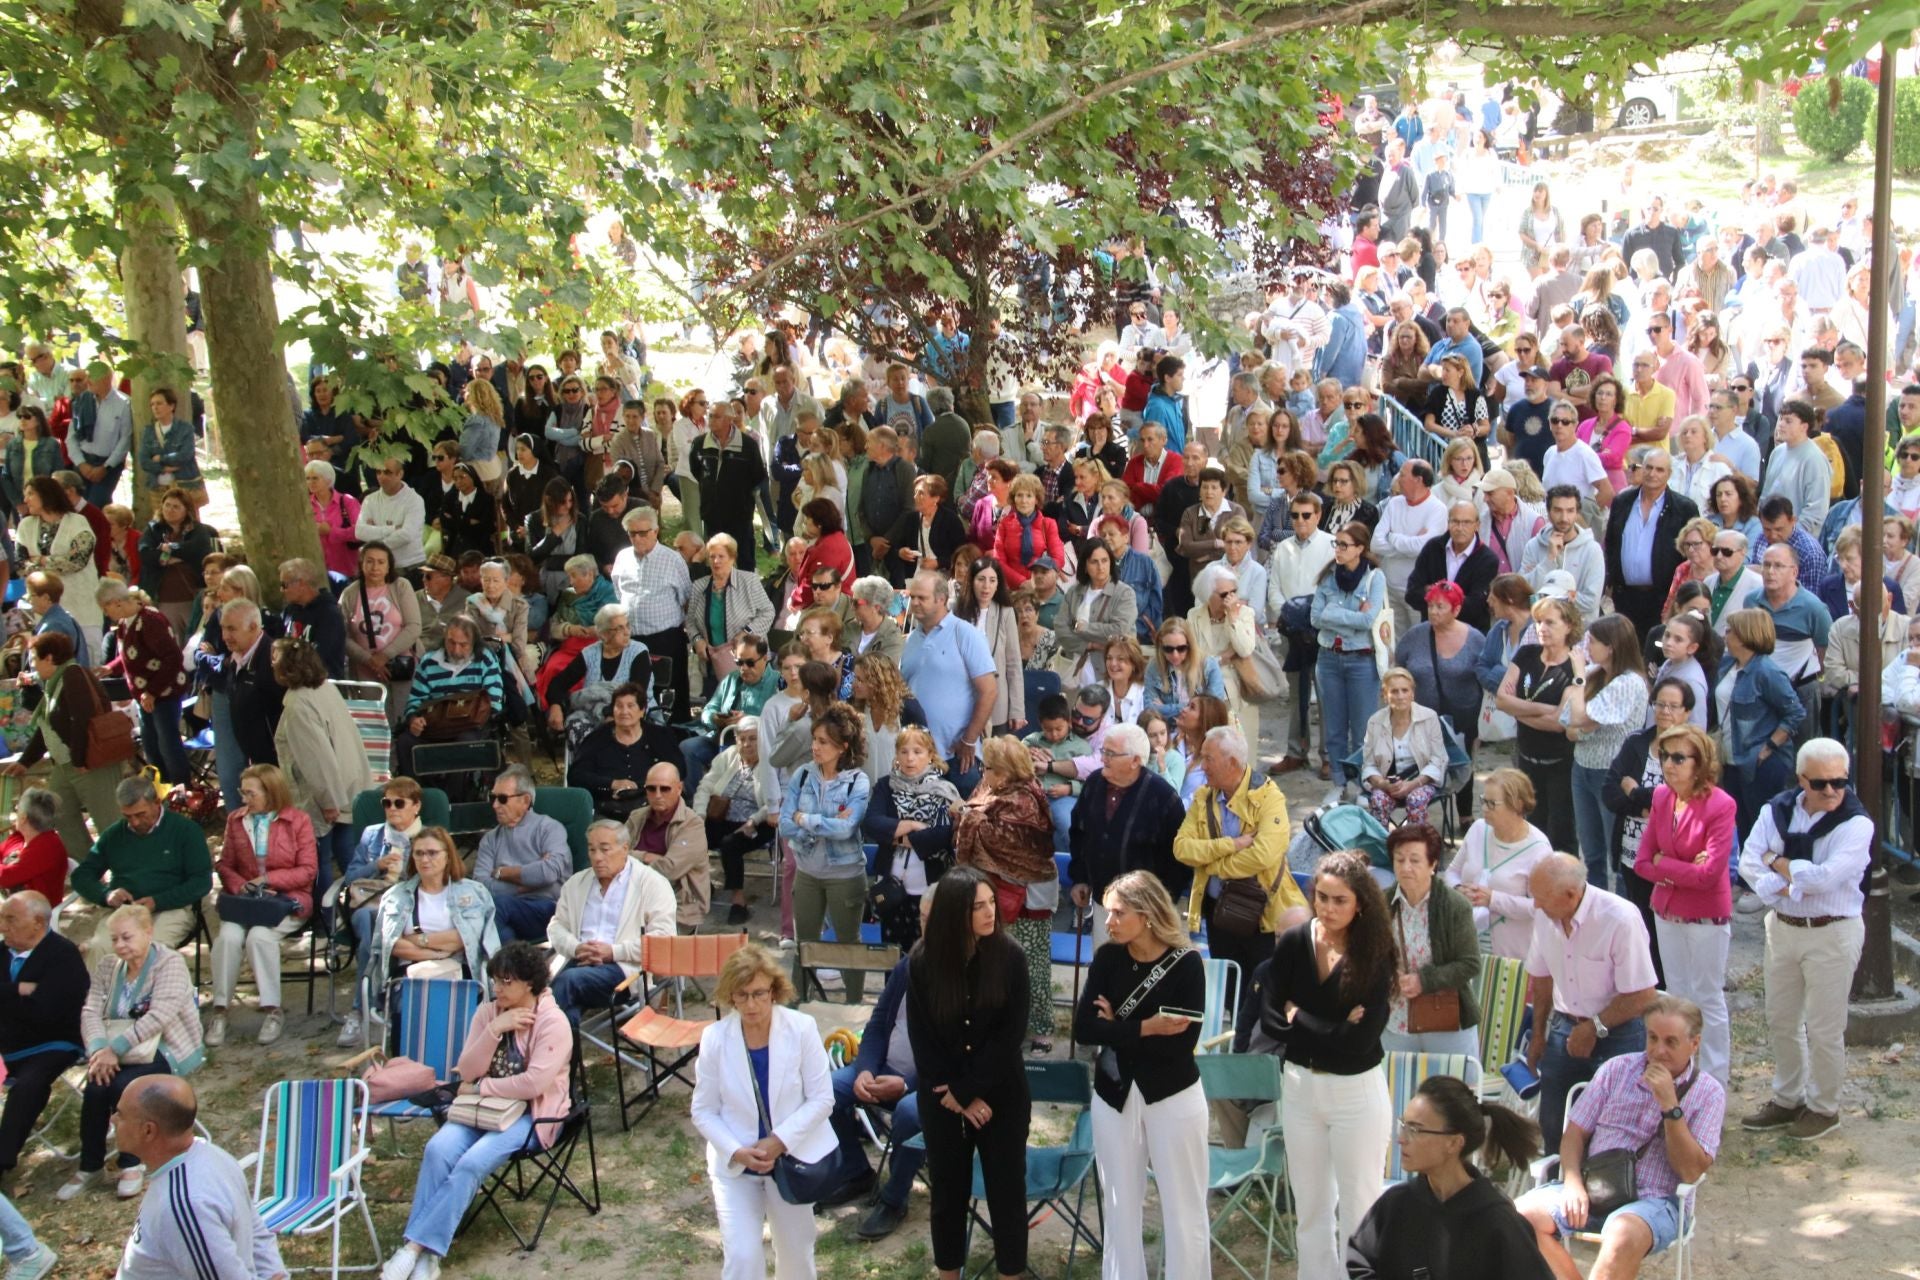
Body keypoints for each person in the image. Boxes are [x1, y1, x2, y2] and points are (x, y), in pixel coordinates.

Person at [382, 942, 573, 1280]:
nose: (497, 989)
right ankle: (427, 1257)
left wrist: (483, 1087)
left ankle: (413, 1247)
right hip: (482, 1110)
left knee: (471, 1163)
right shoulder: (487, 1013)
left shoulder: (553, 1022)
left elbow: (533, 1085)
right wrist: (494, 1030)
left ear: (529, 983)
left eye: (506, 982)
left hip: (533, 1114)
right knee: (437, 1149)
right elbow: (466, 1070)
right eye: (495, 981)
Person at [1517, 996, 1724, 1280]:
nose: (1658, 1051)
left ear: (1694, 1044)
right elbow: (1574, 1134)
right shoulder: (1616, 1070)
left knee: (1620, 1234)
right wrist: (1573, 1182)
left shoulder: (1708, 1093)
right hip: (1593, 1188)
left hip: (1657, 1201)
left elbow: (1690, 1171)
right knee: (1516, 1219)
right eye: (1652, 1038)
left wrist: (1670, 1108)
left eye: (1671, 1042)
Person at [1262, 850, 1395, 1280]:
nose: (1329, 908)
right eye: (1322, 897)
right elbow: (1269, 1019)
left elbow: (1360, 1042)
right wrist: (1331, 1026)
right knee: (1311, 1209)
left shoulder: (1376, 952)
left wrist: (1299, 1015)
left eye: (1340, 900)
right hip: (1300, 1087)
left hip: (1355, 1092)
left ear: (1360, 903)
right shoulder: (1295, 942)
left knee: (1360, 1209)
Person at [1073, 870, 1209, 1280]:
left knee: (1184, 1210)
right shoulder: (1108, 958)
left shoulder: (1187, 965)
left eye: (1117, 913)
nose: (1108, 921)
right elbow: (1083, 1030)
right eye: (1107, 912)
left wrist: (1116, 1028)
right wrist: (1145, 1028)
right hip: (1113, 1095)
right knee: (1119, 1210)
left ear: (1147, 914)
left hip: (1173, 1096)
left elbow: (1179, 1046)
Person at [1735, 737, 1872, 1141]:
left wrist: (1776, 865)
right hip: (1783, 928)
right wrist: (1788, 881)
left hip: (1832, 932)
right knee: (1781, 1019)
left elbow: (1825, 878)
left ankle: (1824, 1107)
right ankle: (1787, 1097)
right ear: (1801, 781)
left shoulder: (1857, 823)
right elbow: (1747, 860)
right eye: (1820, 783)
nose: (1831, 791)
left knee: (1825, 1028)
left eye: (1839, 782)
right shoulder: (1775, 811)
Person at [906, 868, 1032, 1280]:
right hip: (942, 1097)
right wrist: (956, 1095)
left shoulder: (1011, 957)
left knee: (1007, 1195)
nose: (989, 912)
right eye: (977, 906)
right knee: (947, 1195)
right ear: (954, 913)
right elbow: (922, 1038)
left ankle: (1010, 1274)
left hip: (1001, 1095)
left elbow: (1009, 1036)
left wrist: (969, 1090)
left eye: (991, 902)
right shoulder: (923, 961)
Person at [689, 942, 835, 1279]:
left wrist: (779, 1141)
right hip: (736, 1165)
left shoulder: (801, 1029)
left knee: (797, 1257)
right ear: (730, 997)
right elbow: (703, 1110)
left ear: (774, 991)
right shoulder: (715, 1038)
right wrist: (737, 1150)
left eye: (758, 993)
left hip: (791, 1160)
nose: (751, 1004)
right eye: (742, 996)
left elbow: (822, 1098)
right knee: (741, 1258)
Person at [59, 904, 204, 1202]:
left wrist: (115, 1049)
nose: (119, 945)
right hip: (116, 1050)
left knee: (126, 1087)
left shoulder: (170, 963)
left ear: (148, 933)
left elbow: (160, 1016)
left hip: (167, 1046)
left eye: (126, 937)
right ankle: (90, 1165)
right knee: (98, 1085)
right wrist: (100, 1049)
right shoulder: (108, 966)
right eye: (114, 939)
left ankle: (131, 1163)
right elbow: (90, 1011)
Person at [1345, 1074, 1551, 1280]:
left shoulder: (1498, 1220)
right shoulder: (1395, 1204)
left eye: (1415, 1129)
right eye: (1403, 1125)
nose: (1402, 1139)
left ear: (1454, 1143)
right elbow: (1360, 1261)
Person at [1523, 854, 1660, 1150]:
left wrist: (1593, 1028)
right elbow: (1542, 977)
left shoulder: (1620, 918)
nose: (1535, 905)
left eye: (1541, 897)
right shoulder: (1545, 917)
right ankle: (1558, 1188)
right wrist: (1538, 1034)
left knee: (1616, 1130)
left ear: (1571, 895)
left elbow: (1643, 994)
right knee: (1553, 1123)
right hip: (1564, 1029)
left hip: (1619, 1034)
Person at [1174, 725, 1308, 1020]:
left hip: (1263, 916)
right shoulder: (1203, 797)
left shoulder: (1269, 796)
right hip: (1219, 914)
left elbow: (1263, 855)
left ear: (1232, 763)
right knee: (1231, 995)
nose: (1201, 765)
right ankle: (1237, 1049)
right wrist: (1231, 844)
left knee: (1264, 996)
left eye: (1208, 759)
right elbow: (1182, 848)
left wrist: (1213, 866)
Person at [1629, 723, 1736, 1084]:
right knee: (1676, 995)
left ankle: (1714, 1081)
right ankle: (1680, 1075)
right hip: (1667, 911)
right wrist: (1683, 868)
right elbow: (1642, 862)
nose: (1669, 764)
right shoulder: (1661, 797)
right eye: (1664, 755)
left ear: (1700, 762)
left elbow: (1711, 875)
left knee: (1707, 998)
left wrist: (1665, 865)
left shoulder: (1721, 805)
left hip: (1706, 916)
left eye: (1678, 757)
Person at [820, 897, 931, 1239]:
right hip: (882, 1068)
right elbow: (879, 1023)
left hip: (930, 1085)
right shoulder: (910, 963)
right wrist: (865, 1068)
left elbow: (957, 1059)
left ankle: (894, 1198)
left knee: (911, 1114)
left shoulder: (970, 977)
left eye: (935, 918)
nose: (926, 926)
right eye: (924, 917)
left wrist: (907, 1085)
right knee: (822, 1090)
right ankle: (856, 1173)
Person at [110, 1075, 285, 1280]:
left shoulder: (184, 1204)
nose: (113, 1120)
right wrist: (276, 1273)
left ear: (148, 1130)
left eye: (120, 1115)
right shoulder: (214, 1156)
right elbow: (256, 1231)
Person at [207, 763, 316, 1048]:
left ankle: (272, 1009)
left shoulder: (298, 821)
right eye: (242, 793)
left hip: (285, 900)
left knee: (259, 937)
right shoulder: (236, 820)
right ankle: (220, 1010)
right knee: (228, 937)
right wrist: (240, 884)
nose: (245, 799)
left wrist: (269, 880)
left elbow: (308, 870)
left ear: (270, 793)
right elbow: (225, 864)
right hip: (246, 900)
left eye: (250, 793)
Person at [2, 633, 126, 862]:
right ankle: (87, 869)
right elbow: (47, 727)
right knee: (60, 814)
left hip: (89, 762)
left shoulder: (73, 675)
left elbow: (82, 719)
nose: (33, 666)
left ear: (49, 658)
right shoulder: (54, 682)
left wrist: (79, 760)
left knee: (109, 822)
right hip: (66, 763)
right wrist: (24, 762)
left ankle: (129, 876)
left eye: (35, 660)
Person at [68, 774, 213, 965]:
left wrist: (158, 901)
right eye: (127, 816)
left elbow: (201, 881)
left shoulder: (185, 830)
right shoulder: (114, 834)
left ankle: (149, 995)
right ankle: (103, 995)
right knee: (100, 948)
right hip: (126, 909)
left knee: (151, 950)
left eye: (140, 814)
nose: (134, 822)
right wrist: (106, 895)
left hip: (171, 907)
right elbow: (82, 876)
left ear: (157, 803)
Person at [1065, 723, 1187, 948]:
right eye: (1103, 751)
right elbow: (1079, 832)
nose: (1103, 759)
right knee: (1107, 968)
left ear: (1135, 761)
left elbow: (1178, 859)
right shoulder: (1094, 784)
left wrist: (1160, 905)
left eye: (1111, 754)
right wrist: (1080, 877)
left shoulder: (1163, 798)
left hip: (1147, 912)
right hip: (1105, 905)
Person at [545, 819, 677, 1024]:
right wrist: (577, 947)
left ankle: (528, 1053)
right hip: (579, 961)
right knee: (557, 1002)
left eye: (605, 850)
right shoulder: (576, 884)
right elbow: (556, 926)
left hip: (625, 971)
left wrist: (613, 951)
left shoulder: (651, 883)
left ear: (625, 849)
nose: (597, 858)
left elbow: (665, 940)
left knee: (564, 986)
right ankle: (564, 1055)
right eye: (592, 850)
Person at [0, 891, 90, 1183]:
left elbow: (47, 1011)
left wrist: (12, 1001)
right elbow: (29, 1004)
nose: (3, 926)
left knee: (29, 1085)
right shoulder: (2, 951)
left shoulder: (62, 955)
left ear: (38, 922)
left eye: (10, 919)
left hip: (53, 1043)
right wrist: (17, 991)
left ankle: (1, 1162)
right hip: (8, 1043)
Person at [1564, 614, 1650, 891]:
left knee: (1618, 856)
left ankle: (1625, 918)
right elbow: (1568, 721)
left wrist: (1577, 676)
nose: (1586, 647)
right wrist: (1583, 726)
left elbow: (1578, 717)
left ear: (1611, 646)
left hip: (1609, 773)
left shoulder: (1628, 682)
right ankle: (1594, 912)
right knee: (1591, 853)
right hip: (1582, 767)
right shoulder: (1596, 674)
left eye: (1593, 641)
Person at [366, 825, 499, 1004]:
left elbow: (465, 938)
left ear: (447, 856)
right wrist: (438, 954)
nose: (425, 859)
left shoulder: (474, 893)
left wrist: (416, 939)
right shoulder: (395, 896)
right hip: (409, 973)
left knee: (448, 1003)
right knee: (416, 1004)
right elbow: (393, 946)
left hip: (461, 972)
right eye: (419, 853)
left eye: (432, 853)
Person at [1380, 824, 1481, 1057]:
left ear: (1433, 864)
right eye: (1399, 859)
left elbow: (1470, 964)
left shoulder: (1454, 906)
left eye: (1415, 860)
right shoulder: (1382, 903)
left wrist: (1423, 980)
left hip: (1445, 1016)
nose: (1406, 868)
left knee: (1452, 1090)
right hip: (1395, 1019)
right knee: (1396, 1089)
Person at [1497, 596, 1582, 855]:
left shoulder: (1573, 666)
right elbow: (1501, 699)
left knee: (1560, 835)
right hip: (1525, 757)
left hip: (1560, 764)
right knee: (1529, 830)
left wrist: (1518, 710)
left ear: (1568, 626)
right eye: (1538, 622)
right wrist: (1544, 710)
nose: (1541, 628)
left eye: (1549, 622)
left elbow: (1560, 723)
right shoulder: (1527, 653)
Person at [1445, 767, 1556, 962]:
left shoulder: (1539, 850)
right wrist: (1458, 889)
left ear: (1517, 805)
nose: (1484, 809)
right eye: (1483, 800)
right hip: (1467, 945)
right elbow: (1452, 872)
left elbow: (1541, 906)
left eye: (1492, 803)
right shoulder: (1478, 829)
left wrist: (1493, 900)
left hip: (1511, 954)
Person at [1717, 607, 1806, 846]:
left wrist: (1768, 748)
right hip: (1731, 759)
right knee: (1741, 822)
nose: (1726, 635)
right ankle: (1746, 877)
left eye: (1730, 631)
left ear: (1746, 636)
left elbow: (1795, 712)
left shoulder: (1767, 672)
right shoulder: (1727, 664)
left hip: (1760, 762)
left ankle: (1762, 878)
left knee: (1762, 825)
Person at [900, 570, 998, 784]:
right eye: (912, 597)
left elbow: (989, 690)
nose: (914, 603)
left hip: (958, 755)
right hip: (916, 756)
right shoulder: (911, 640)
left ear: (941, 599)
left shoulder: (965, 634)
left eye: (921, 598)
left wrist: (970, 739)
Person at [1313, 521, 1387, 793]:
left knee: (1362, 728)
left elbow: (1369, 620)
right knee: (1333, 728)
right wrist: (1350, 617)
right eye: (1337, 543)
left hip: (1361, 661)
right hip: (1329, 658)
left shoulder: (1374, 577)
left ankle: (1361, 783)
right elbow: (1315, 617)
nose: (1339, 550)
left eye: (1344, 545)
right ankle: (1338, 781)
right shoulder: (1328, 576)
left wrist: (1333, 613)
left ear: (1360, 548)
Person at [393, 616, 504, 779]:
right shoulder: (429, 661)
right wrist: (413, 720)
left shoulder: (485, 659)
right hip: (435, 726)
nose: (456, 650)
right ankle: (420, 794)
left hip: (471, 726)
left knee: (465, 743)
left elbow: (494, 701)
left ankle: (455, 797)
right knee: (405, 741)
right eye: (451, 642)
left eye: (463, 645)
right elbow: (415, 701)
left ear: (473, 643)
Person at [609, 504, 693, 721]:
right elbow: (619, 591)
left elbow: (686, 597)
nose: (637, 539)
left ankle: (674, 739)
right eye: (632, 533)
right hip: (632, 639)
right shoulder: (623, 557)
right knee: (634, 691)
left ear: (655, 531)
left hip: (665, 638)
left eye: (643, 533)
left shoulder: (672, 559)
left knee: (670, 693)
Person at [471, 764, 571, 943]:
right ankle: (511, 965)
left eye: (502, 799)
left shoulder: (549, 829)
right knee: (502, 929)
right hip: (506, 912)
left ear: (525, 801)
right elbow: (480, 886)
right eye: (492, 797)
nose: (494, 805)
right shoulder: (490, 839)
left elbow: (548, 872)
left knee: (497, 906)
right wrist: (526, 884)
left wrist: (501, 873)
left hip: (547, 910)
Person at [16, 476, 102, 657]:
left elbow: (77, 561)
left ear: (46, 495)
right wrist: (57, 560)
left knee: (86, 664)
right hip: (46, 612)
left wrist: (41, 561)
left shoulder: (78, 522)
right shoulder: (26, 525)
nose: (25, 500)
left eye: (30, 494)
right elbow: (21, 564)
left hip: (82, 608)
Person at [1360, 667, 1450, 827]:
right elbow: (1369, 764)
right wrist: (1382, 784)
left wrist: (1413, 784)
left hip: (1421, 781)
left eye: (1405, 690)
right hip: (1388, 783)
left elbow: (1438, 759)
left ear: (1412, 693)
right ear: (1385, 695)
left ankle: (1416, 846)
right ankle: (1380, 847)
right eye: (1394, 691)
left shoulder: (1429, 717)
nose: (1400, 696)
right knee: (1378, 800)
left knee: (1416, 799)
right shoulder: (1375, 721)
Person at [137, 485, 218, 640]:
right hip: (163, 599)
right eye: (167, 505)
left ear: (186, 510)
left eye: (176, 506)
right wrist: (170, 558)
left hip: (191, 597)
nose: (170, 510)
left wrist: (168, 548)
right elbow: (145, 554)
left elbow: (196, 550)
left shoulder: (197, 530)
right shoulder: (153, 529)